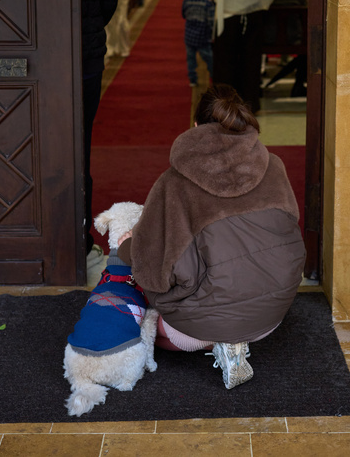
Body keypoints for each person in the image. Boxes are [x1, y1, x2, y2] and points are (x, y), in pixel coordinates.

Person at [117, 84, 305, 389]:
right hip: (270, 316)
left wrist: (127, 245)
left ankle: (215, 342)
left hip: (197, 328)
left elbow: (154, 271)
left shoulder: (173, 185)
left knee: (155, 325)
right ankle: (235, 341)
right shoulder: (276, 166)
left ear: (194, 127)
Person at [79, 0, 120, 266]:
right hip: (85, 56)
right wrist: (90, 27)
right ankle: (78, 238)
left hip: (37, 53)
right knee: (80, 144)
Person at [181, 0, 214, 87]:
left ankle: (192, 79)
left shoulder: (186, 1)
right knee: (209, 57)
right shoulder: (207, 3)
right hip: (203, 36)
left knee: (191, 59)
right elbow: (210, 21)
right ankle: (213, 76)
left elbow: (184, 15)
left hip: (189, 36)